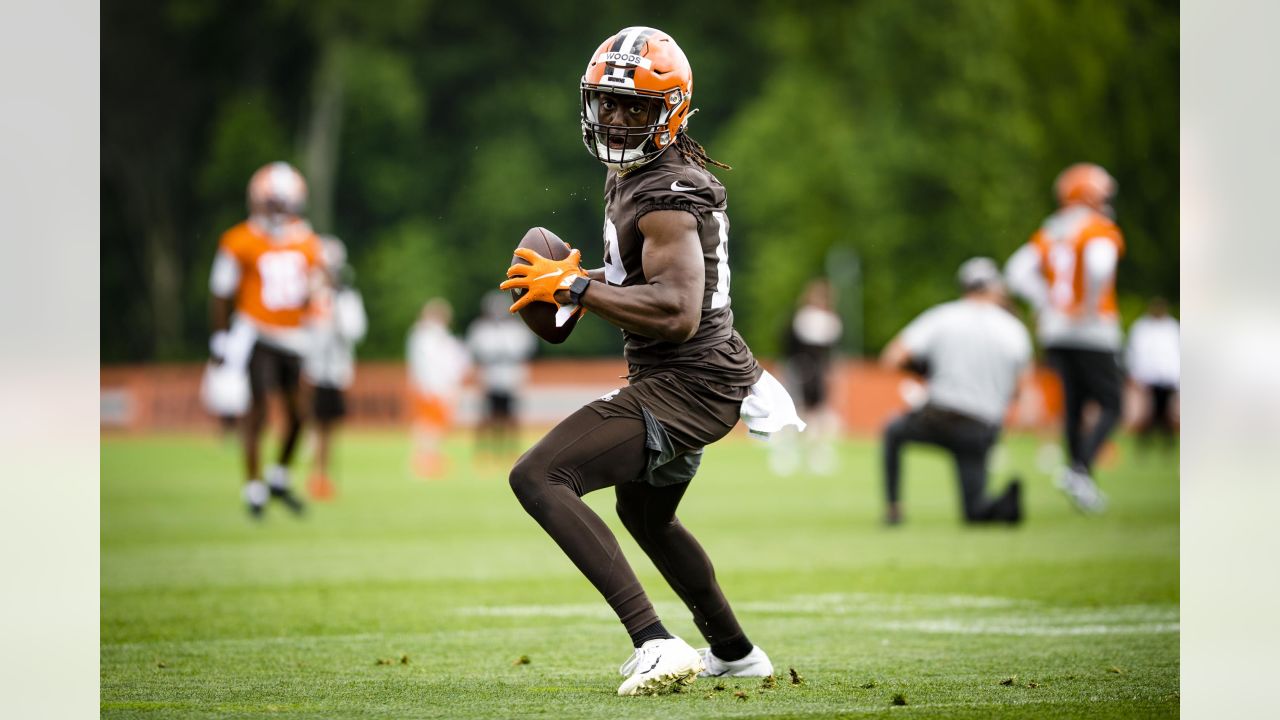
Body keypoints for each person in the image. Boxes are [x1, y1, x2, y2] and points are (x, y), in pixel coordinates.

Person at [500, 27, 803, 696]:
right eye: (607, 103)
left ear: (670, 111)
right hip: (690, 375)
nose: (615, 117)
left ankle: (655, 641)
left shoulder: (665, 193)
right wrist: (585, 287)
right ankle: (734, 649)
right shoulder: (634, 173)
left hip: (688, 382)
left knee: (539, 475)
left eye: (634, 107)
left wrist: (578, 289)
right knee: (646, 516)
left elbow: (675, 311)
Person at [1005, 162, 1125, 514]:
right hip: (1091, 329)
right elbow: (1099, 267)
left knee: (1074, 405)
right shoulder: (1098, 229)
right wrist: (1085, 306)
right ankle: (1080, 468)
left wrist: (1049, 303)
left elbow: (1016, 272)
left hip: (1056, 330)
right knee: (1111, 403)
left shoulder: (1054, 229)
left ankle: (1080, 480)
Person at [208, 161, 323, 519]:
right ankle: (254, 488)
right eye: (273, 203)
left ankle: (278, 476)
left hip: (296, 338)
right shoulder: (239, 240)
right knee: (256, 411)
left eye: (283, 203)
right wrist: (220, 337)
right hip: (256, 332)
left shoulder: (307, 241)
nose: (279, 211)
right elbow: (221, 292)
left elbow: (311, 292)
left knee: (300, 415)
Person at [879, 258, 1031, 525]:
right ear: (995, 288)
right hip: (981, 425)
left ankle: (894, 510)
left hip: (940, 416)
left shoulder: (943, 316)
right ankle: (1004, 503)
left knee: (893, 432)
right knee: (974, 511)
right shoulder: (1014, 329)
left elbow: (892, 357)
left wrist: (926, 372)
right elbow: (1020, 389)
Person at [303, 236, 368, 500]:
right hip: (313, 368)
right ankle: (314, 473)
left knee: (329, 425)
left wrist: (338, 311)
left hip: (335, 369)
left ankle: (322, 475)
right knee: (314, 422)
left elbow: (355, 331)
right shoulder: (311, 296)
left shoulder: (345, 299)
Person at [773, 277, 843, 476]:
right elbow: (788, 346)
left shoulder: (831, 322)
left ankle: (817, 454)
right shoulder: (801, 319)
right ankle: (787, 454)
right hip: (799, 370)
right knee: (795, 411)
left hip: (818, 373)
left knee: (818, 413)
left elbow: (829, 352)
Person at [465, 291, 537, 463]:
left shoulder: (517, 330)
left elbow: (524, 352)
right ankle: (485, 453)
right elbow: (476, 353)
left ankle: (510, 452)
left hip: (510, 378)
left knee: (511, 419)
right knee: (487, 418)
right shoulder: (481, 329)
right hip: (490, 378)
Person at [406, 298, 470, 479]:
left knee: (436, 425)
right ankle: (423, 460)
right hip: (432, 387)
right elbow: (426, 365)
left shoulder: (439, 335)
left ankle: (430, 457)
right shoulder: (423, 335)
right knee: (428, 425)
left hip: (442, 387)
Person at [1126, 297, 1180, 450]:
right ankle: (1144, 444)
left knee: (1166, 412)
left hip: (1167, 376)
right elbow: (1135, 352)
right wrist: (1136, 374)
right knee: (1147, 413)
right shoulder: (1142, 327)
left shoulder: (1173, 328)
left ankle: (1167, 444)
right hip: (1147, 376)